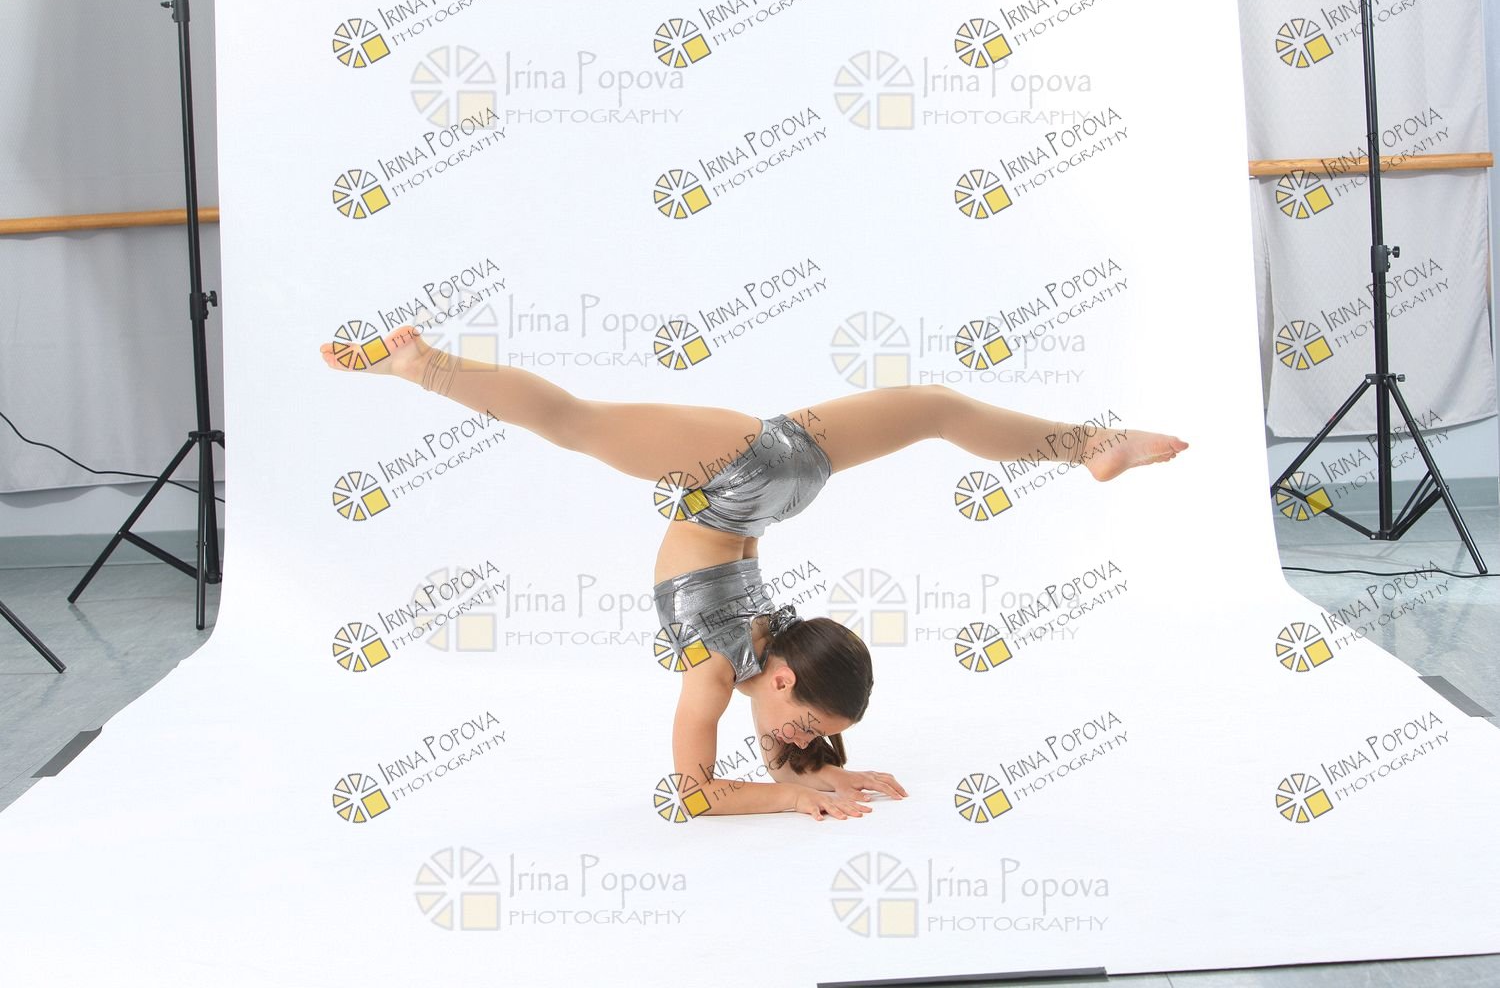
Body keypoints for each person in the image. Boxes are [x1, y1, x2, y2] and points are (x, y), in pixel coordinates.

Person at [319, 325, 1188, 821]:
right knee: (576, 423)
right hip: (740, 479)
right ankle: (420, 364)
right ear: (781, 677)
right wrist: (787, 793)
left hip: (777, 485)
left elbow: (720, 771)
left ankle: (1092, 442)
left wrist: (806, 775)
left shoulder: (764, 656)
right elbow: (690, 797)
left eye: (805, 736)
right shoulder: (719, 670)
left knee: (936, 408)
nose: (800, 740)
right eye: (808, 728)